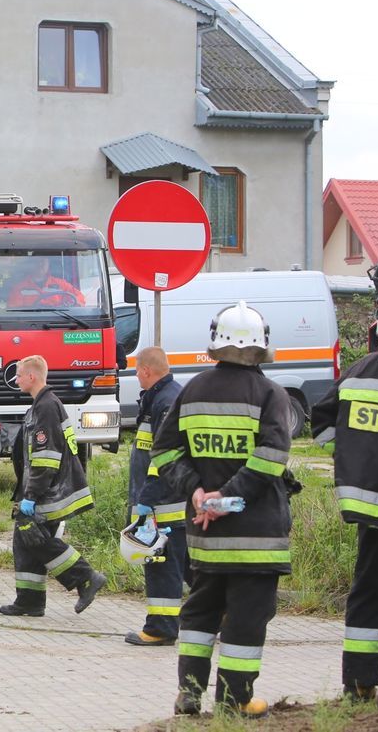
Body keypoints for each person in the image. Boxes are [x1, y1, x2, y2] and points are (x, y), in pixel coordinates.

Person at [152, 301, 294, 719]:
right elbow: (271, 457)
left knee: (200, 612)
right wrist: (225, 499)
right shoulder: (271, 394)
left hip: (205, 537)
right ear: (261, 346)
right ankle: (235, 700)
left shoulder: (192, 389)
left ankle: (189, 694)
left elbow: (164, 451)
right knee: (246, 620)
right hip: (256, 538)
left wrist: (197, 493)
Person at [311, 277, 378, 703]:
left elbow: (321, 431)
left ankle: (358, 683)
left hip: (371, 509)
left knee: (369, 591)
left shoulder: (356, 375)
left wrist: (359, 448)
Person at [0, 355, 105, 615]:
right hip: (46, 489)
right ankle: (30, 600)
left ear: (32, 377)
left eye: (20, 375)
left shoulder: (45, 407)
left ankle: (86, 576)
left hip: (49, 492)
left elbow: (46, 458)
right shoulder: (43, 404)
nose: (17, 380)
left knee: (36, 539)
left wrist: (31, 496)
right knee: (25, 541)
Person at [125, 346, 188, 647]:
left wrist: (146, 500)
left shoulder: (165, 401)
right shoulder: (165, 397)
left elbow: (162, 459)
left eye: (137, 370)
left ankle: (161, 627)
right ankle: (220, 614)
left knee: (161, 563)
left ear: (147, 371)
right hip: (170, 500)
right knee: (188, 566)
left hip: (164, 504)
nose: (136, 375)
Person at [7, 257, 84, 308]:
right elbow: (15, 311)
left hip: (58, 323)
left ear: (48, 265)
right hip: (31, 325)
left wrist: (71, 305)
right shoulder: (19, 288)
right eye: (36, 262)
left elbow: (79, 298)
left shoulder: (61, 284)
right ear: (30, 265)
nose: (40, 264)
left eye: (43, 262)